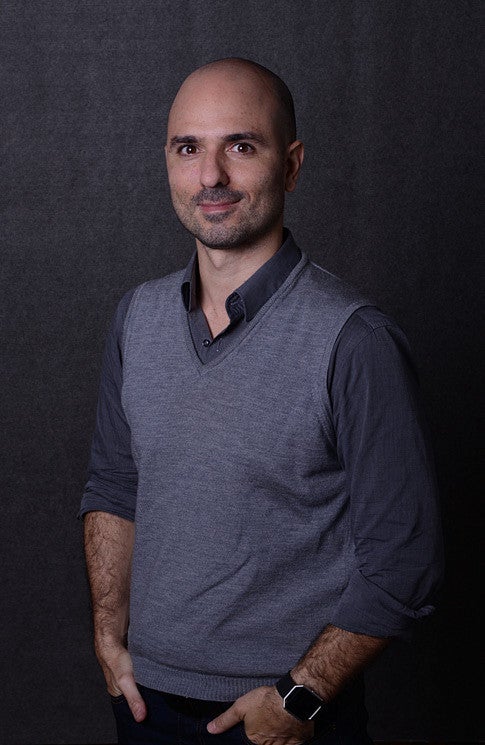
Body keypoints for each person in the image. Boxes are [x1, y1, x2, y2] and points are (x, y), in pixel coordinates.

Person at [80, 58, 443, 745]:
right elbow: (114, 485)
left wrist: (299, 697)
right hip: (143, 708)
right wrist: (108, 637)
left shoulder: (354, 340)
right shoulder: (137, 317)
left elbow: (404, 560)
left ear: (292, 164)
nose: (210, 176)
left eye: (240, 146)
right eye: (189, 148)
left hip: (282, 717)